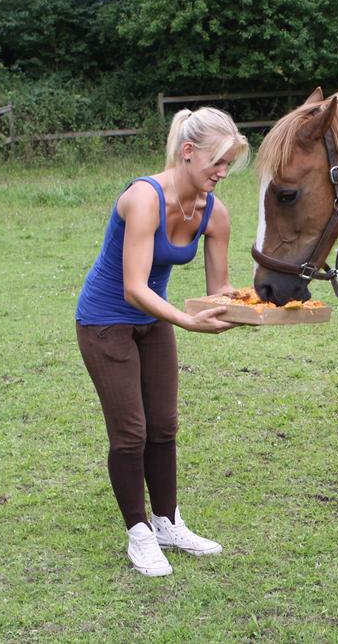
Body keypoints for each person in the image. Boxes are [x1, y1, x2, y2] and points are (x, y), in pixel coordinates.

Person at [75, 107, 249, 576]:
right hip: (105, 321)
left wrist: (267, 303)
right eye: (217, 162)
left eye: (229, 165)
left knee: (165, 425)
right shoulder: (143, 198)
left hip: (153, 320)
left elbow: (220, 290)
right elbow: (134, 286)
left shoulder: (215, 212)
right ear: (188, 153)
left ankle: (168, 521)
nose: (222, 173)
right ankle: (139, 533)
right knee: (131, 431)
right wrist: (188, 323)